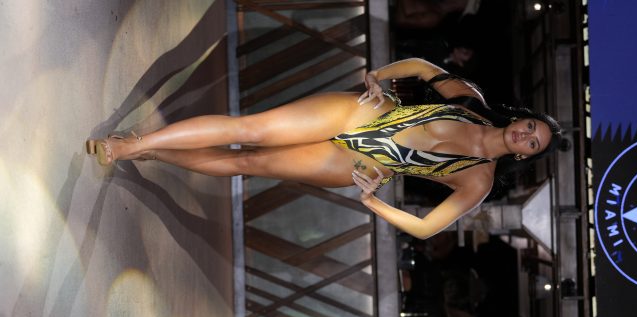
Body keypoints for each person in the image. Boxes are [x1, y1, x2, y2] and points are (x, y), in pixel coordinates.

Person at [86, 58, 560, 239]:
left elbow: (426, 228)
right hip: (361, 114)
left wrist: (373, 203)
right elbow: (420, 67)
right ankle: (131, 145)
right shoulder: (471, 101)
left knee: (245, 160)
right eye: (529, 126)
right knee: (249, 128)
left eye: (533, 142)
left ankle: (154, 153)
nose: (525, 135)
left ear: (525, 155)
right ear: (521, 117)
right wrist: (378, 76)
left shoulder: (477, 180)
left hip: (356, 163)